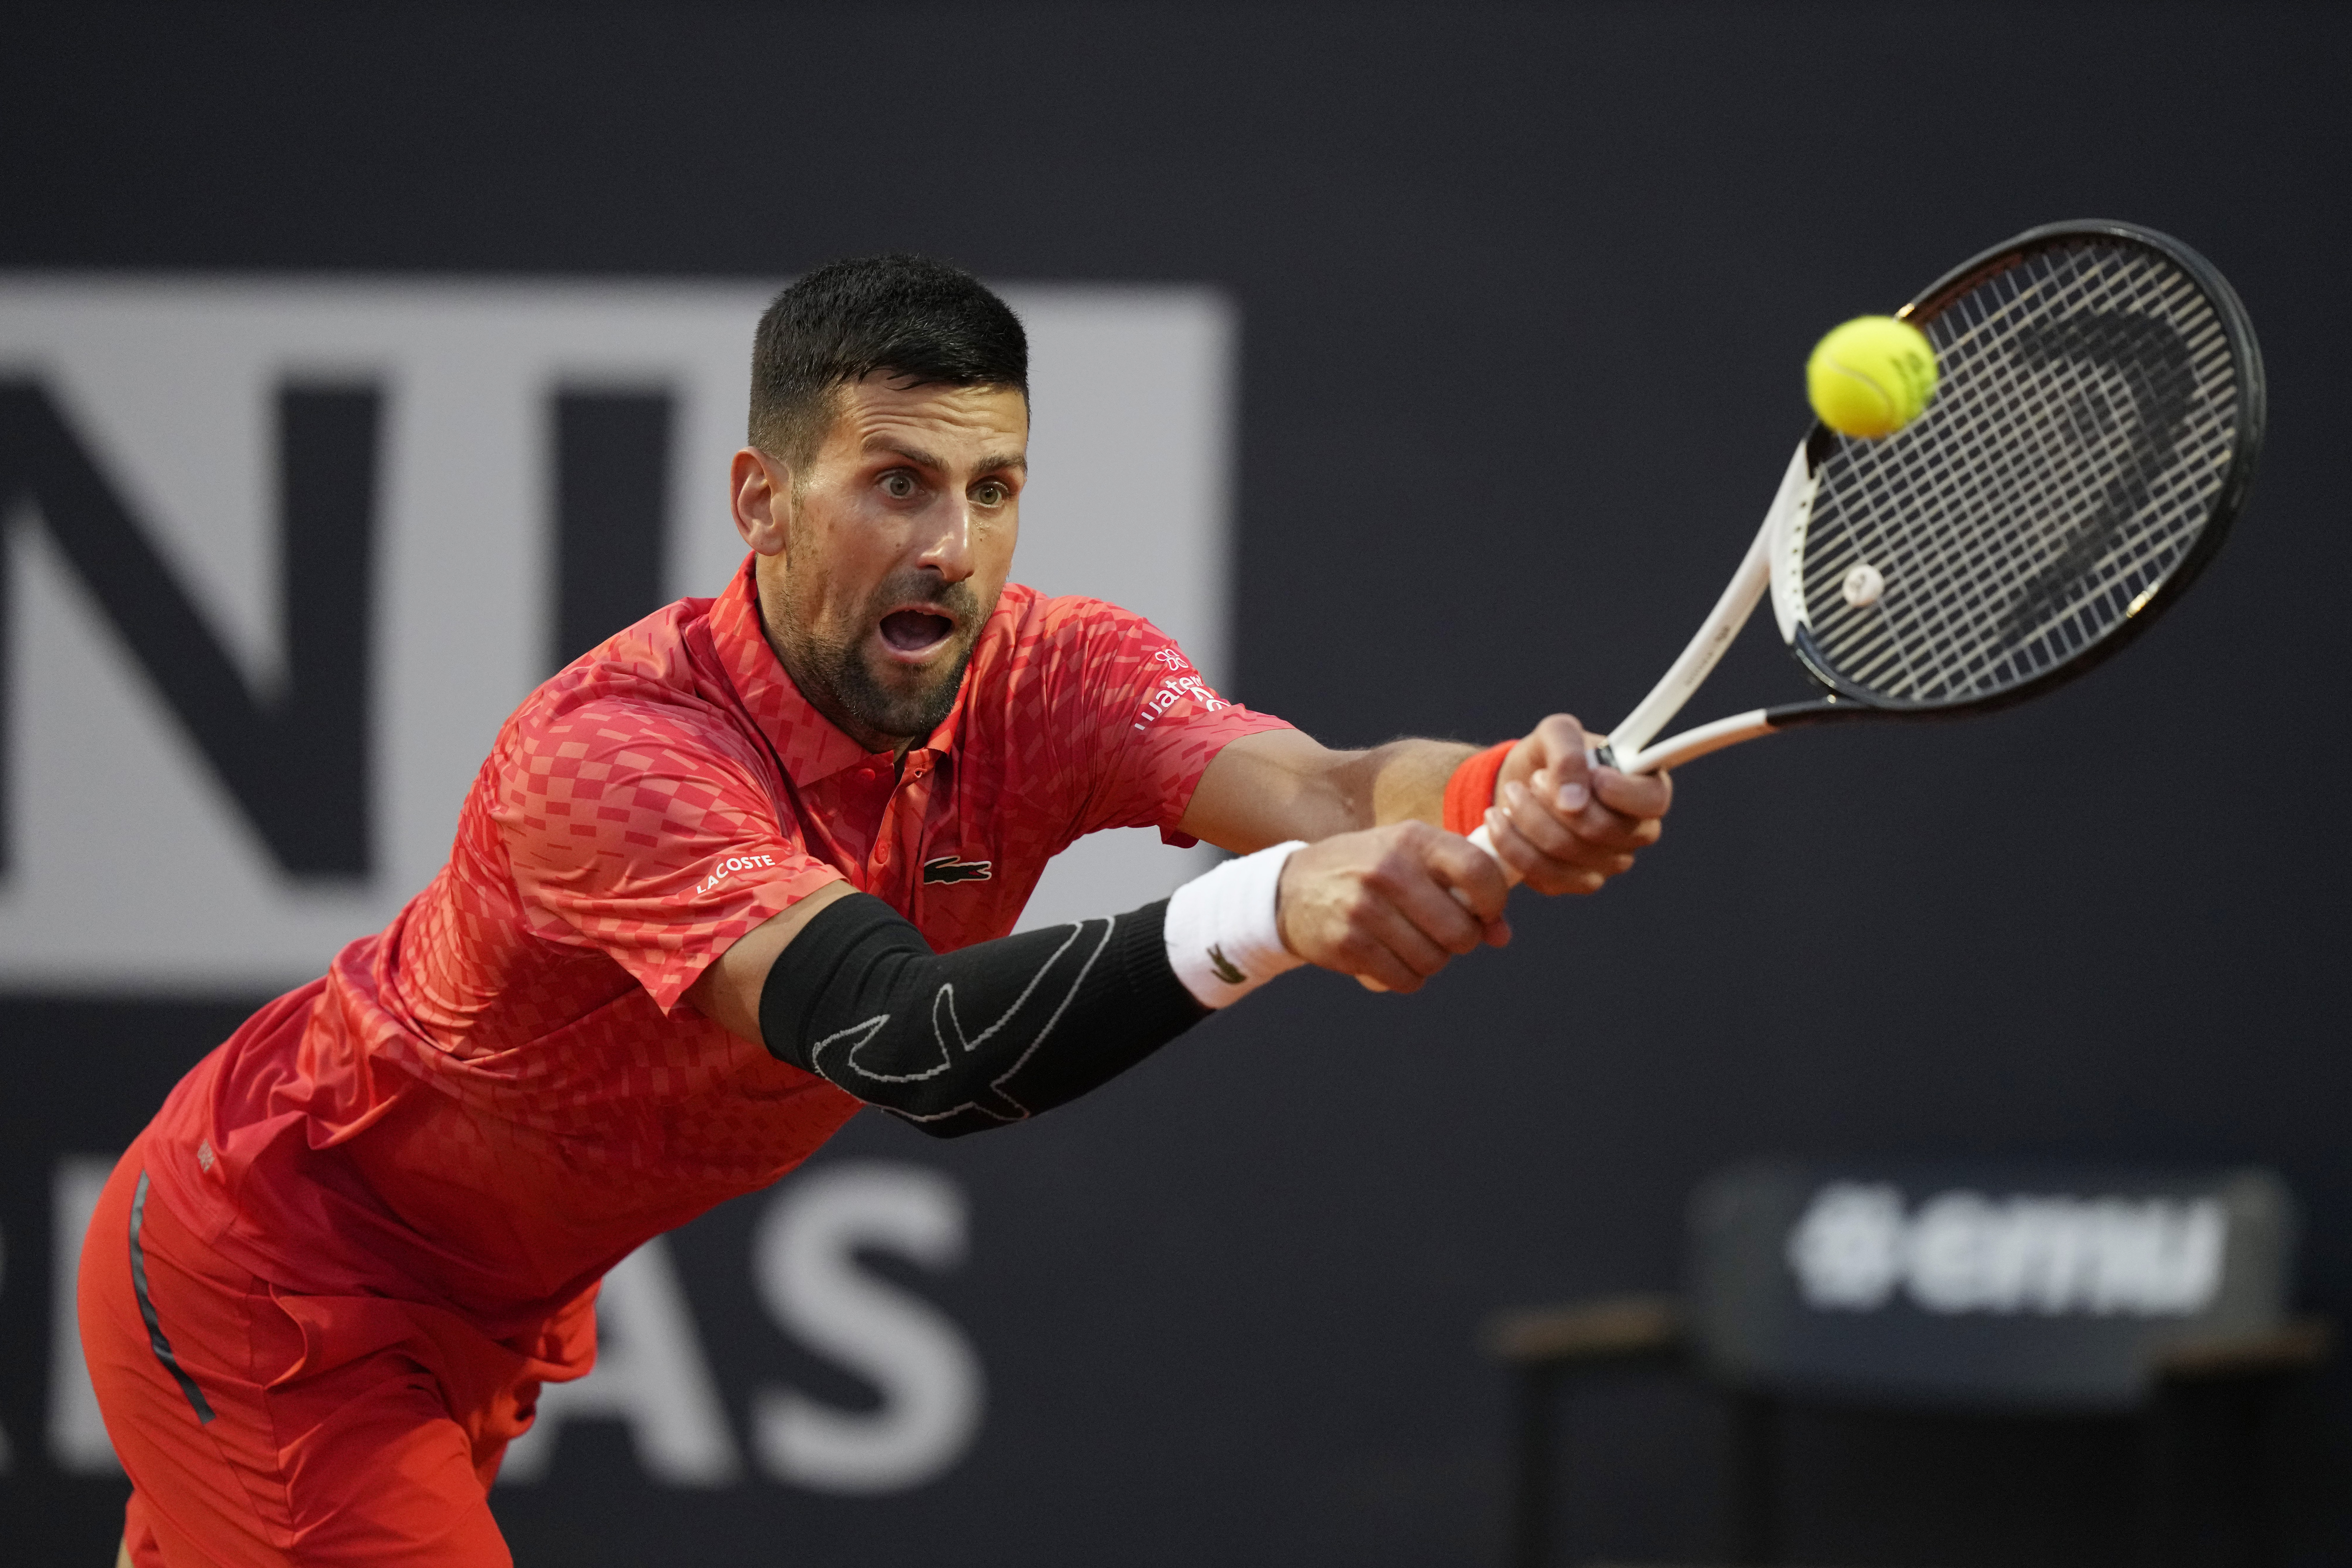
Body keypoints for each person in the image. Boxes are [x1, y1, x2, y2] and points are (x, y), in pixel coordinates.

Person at [78, 253, 1672, 1566]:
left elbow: (1331, 793)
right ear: (761, 501)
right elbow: (916, 1048)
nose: (948, 548)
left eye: (991, 490)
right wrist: (1267, 912)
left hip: (495, 1303)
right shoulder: (615, 760)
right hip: (283, 1276)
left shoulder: (1055, 673)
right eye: (894, 485)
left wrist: (1497, 795)